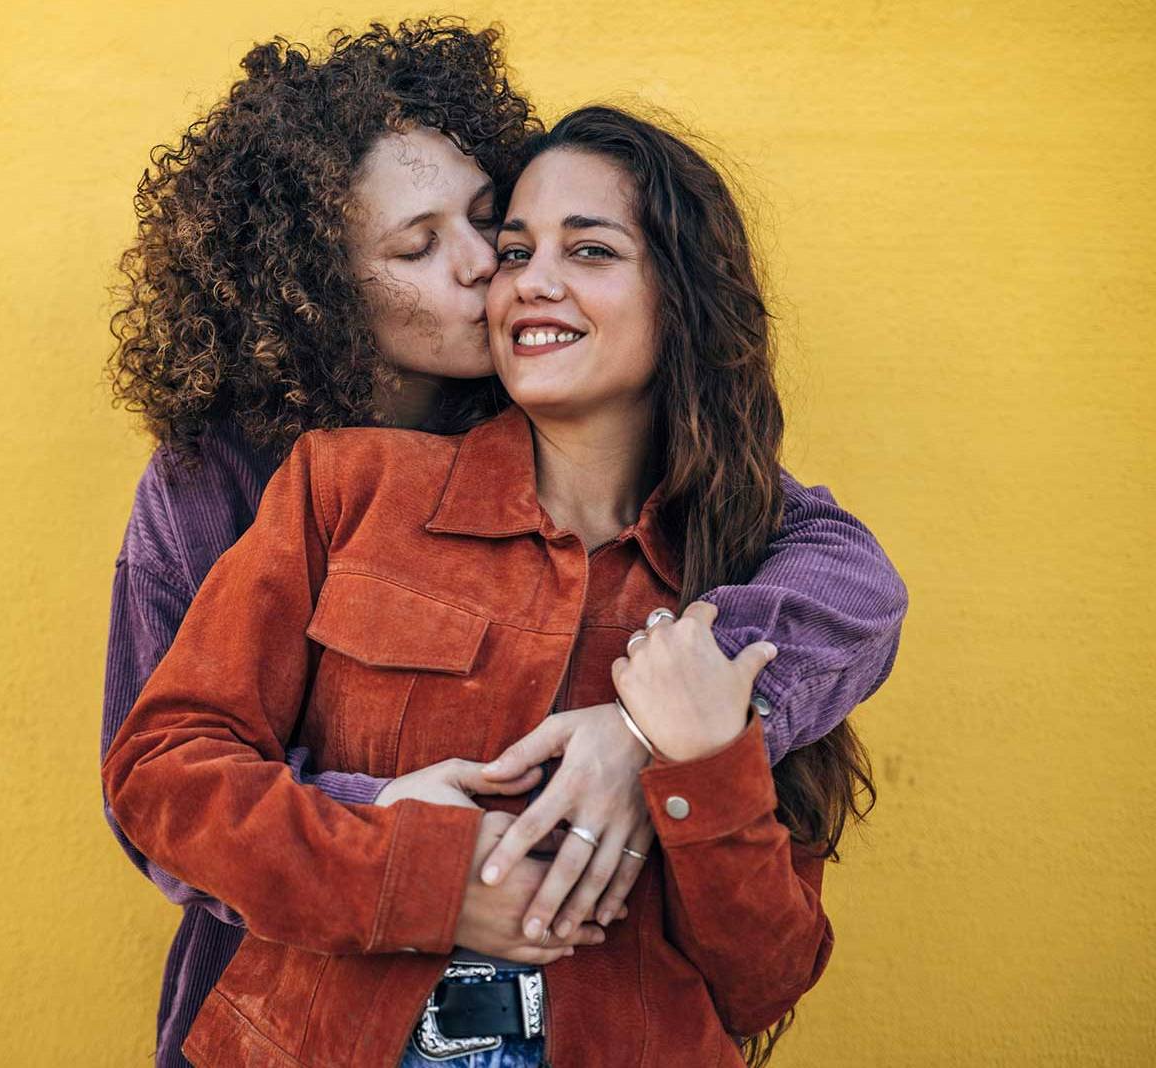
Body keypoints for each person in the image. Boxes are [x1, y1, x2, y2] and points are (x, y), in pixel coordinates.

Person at [101, 21, 905, 1068]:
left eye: (494, 226)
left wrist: (662, 735)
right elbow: (161, 783)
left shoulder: (711, 523)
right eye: (416, 246)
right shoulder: (275, 483)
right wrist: (421, 850)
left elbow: (847, 575)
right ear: (315, 291)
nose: (495, 271)